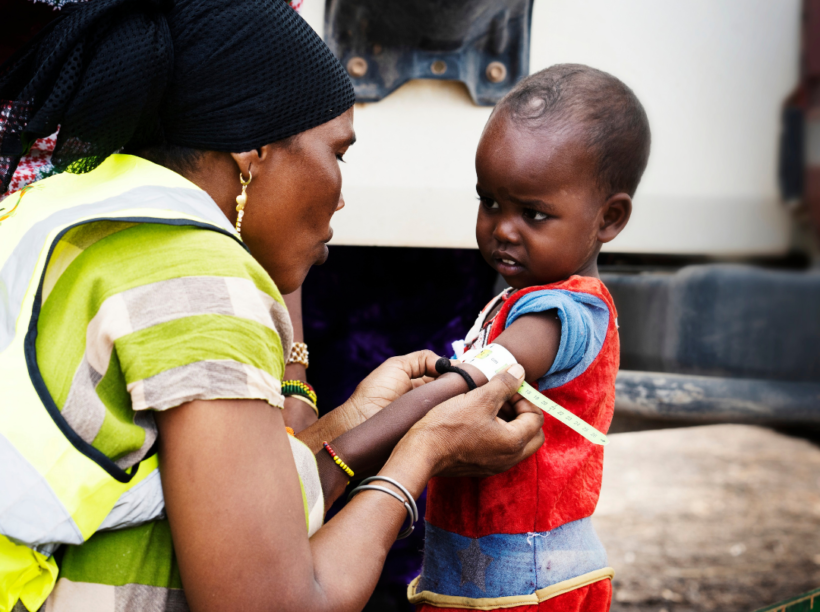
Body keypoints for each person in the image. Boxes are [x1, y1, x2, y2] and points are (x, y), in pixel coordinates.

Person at [0, 1, 546, 611]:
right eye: (337, 155)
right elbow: (276, 602)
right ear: (252, 155)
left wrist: (358, 419)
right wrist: (427, 450)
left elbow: (226, 504)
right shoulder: (199, 278)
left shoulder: (75, 212)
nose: (342, 198)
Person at [307, 64, 651, 611]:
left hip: (532, 581)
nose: (502, 228)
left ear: (609, 219)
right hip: (479, 570)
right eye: (489, 201)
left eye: (533, 213)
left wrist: (338, 455)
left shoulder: (564, 315)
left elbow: (463, 386)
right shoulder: (517, 300)